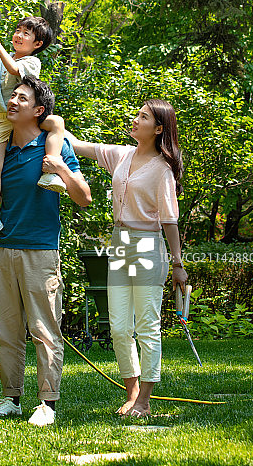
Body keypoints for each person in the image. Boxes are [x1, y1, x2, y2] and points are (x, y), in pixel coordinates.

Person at [0, 75, 91, 426]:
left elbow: (84, 198)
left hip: (40, 251)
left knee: (44, 330)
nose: (12, 101)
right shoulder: (1, 148)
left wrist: (60, 169)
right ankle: (10, 399)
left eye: (22, 98)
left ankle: (47, 404)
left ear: (38, 110)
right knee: (6, 330)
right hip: (4, 249)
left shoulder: (53, 146)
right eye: (12, 96)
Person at [66, 99, 188, 418]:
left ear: (158, 129)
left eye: (143, 117)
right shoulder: (122, 155)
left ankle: (145, 401)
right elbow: (80, 146)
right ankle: (132, 392)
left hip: (148, 245)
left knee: (146, 324)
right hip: (120, 242)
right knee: (119, 326)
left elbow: (170, 220)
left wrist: (178, 264)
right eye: (137, 114)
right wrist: (54, 127)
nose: (135, 120)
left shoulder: (162, 169)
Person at [0, 16, 67, 244]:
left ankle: (50, 171)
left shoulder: (33, 63)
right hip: (1, 119)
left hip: (25, 118)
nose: (19, 35)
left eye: (26, 33)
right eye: (18, 30)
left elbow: (15, 70)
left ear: (37, 44)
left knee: (55, 123)